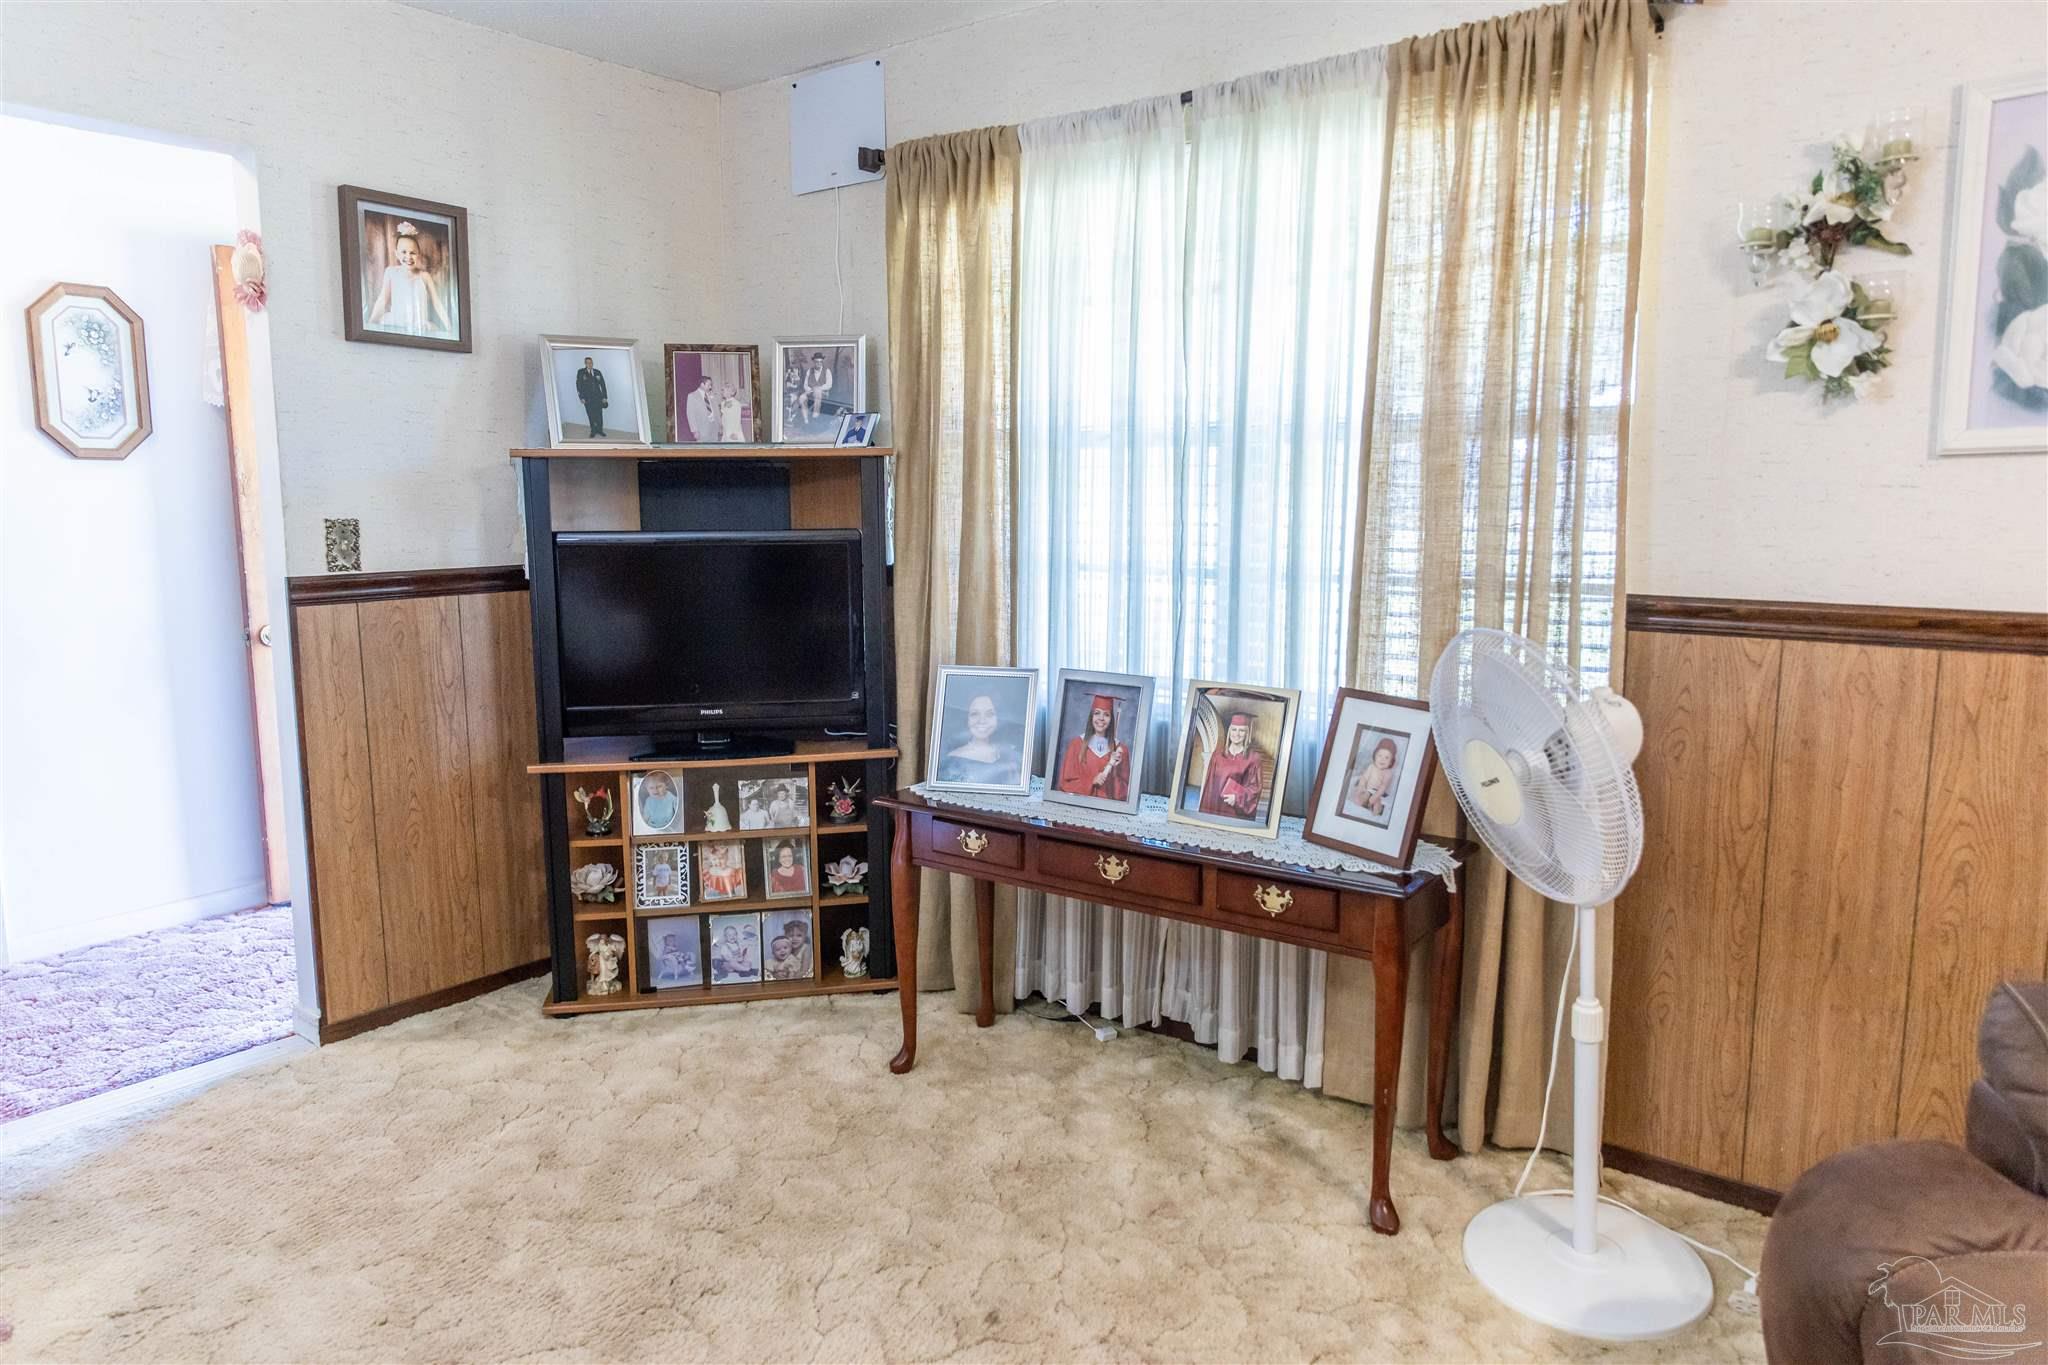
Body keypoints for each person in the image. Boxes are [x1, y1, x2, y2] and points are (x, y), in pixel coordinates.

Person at [365, 222, 452, 338]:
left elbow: (437, 303)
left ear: (419, 255)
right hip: (396, 322)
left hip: (419, 325)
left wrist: (450, 327)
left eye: (413, 253)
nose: (408, 257)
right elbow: (382, 299)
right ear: (396, 253)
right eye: (404, 252)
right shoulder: (391, 272)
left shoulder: (424, 276)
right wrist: (370, 323)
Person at [1056, 694, 1130, 801]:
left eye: (1106, 715)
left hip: (1108, 810)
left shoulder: (1120, 750)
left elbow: (1125, 793)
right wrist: (1091, 781)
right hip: (1081, 806)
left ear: (1111, 719)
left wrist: (1114, 769)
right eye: (1097, 713)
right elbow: (1065, 784)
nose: (1101, 718)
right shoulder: (1076, 745)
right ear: (1091, 716)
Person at [936, 693, 1021, 786]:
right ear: (967, 718)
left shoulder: (1011, 755)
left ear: (998, 719)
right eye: (975, 714)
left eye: (990, 714)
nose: (982, 720)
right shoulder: (953, 761)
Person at [1196, 712, 1265, 822]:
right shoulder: (1217, 756)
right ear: (1229, 731)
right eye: (1234, 729)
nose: (1237, 734)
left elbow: (1255, 788)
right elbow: (1209, 788)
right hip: (1215, 808)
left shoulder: (1253, 759)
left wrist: (1237, 798)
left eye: (1241, 730)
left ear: (1247, 733)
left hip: (1235, 813)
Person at [1344, 737, 1401, 820]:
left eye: (1387, 757)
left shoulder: (1388, 773)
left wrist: (1375, 796)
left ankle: (1376, 809)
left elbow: (1383, 786)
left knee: (1376, 804)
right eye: (1380, 755)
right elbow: (1364, 778)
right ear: (1375, 756)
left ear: (1391, 761)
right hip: (1367, 789)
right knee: (1358, 798)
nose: (1382, 759)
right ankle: (1364, 804)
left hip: (1379, 793)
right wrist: (1361, 787)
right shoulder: (1371, 767)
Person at [574, 355, 608, 438]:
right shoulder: (581, 372)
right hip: (587, 398)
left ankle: (600, 430)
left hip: (598, 398)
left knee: (599, 415)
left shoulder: (597, 372)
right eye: (588, 363)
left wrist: (604, 397)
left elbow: (603, 385)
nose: (590, 364)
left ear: (593, 363)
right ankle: (593, 431)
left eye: (591, 362)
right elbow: (578, 385)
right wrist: (581, 397)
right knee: (591, 415)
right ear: (585, 364)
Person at [798, 351, 833, 427]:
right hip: (811, 392)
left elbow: (829, 385)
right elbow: (805, 385)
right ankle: (806, 420)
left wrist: (819, 388)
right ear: (814, 362)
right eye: (817, 361)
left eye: (820, 361)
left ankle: (815, 413)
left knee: (817, 391)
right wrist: (809, 390)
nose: (819, 363)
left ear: (822, 362)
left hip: (823, 393)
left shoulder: (827, 371)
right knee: (802, 397)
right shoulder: (809, 371)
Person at [684, 374, 717, 442]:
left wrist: (719, 425)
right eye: (709, 385)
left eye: (711, 385)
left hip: (714, 428)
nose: (710, 387)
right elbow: (690, 414)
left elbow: (716, 411)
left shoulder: (711, 395)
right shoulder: (692, 396)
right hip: (701, 430)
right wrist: (695, 431)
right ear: (702, 384)